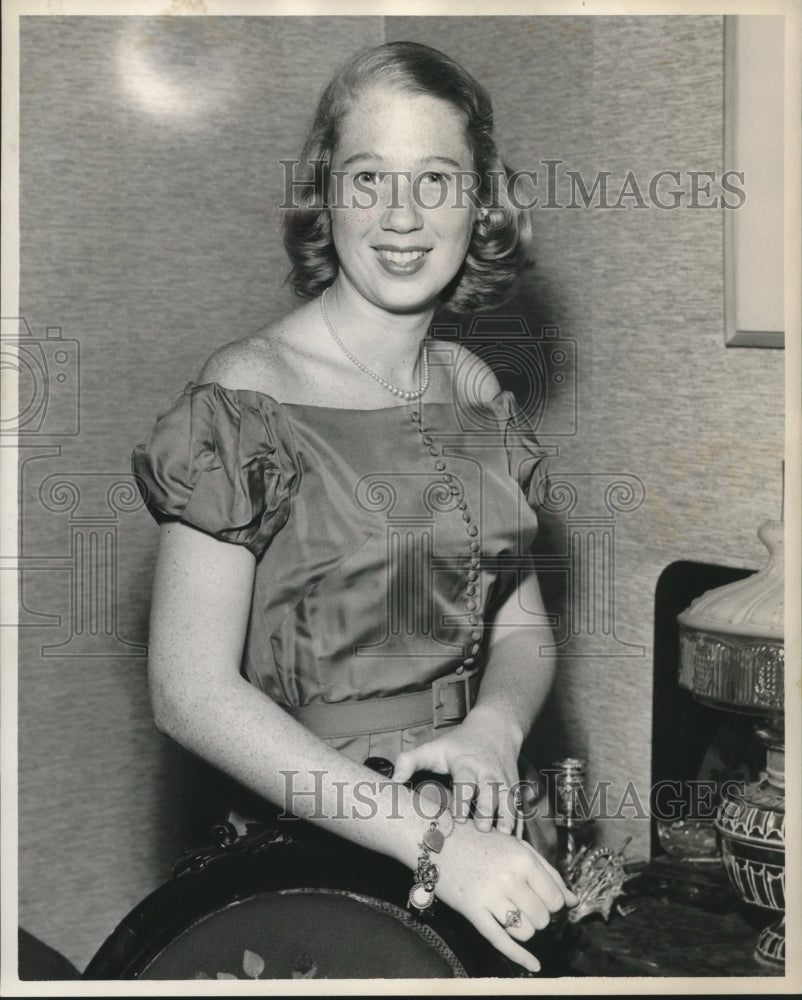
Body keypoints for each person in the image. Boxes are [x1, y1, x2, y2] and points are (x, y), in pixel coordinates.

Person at [132, 40, 576, 975]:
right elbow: (189, 692)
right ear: (325, 195)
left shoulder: (473, 384)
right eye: (370, 178)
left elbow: (523, 629)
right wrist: (433, 845)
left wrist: (494, 728)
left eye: (438, 179)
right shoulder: (248, 391)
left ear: (482, 201)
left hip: (481, 829)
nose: (403, 216)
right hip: (319, 845)